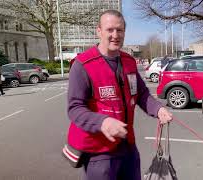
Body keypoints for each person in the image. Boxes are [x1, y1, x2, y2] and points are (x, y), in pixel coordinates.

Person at [66, 10, 173, 180]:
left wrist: (158, 109)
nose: (115, 35)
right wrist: (102, 122)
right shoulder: (83, 65)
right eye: (110, 30)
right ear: (99, 31)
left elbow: (141, 94)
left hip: (128, 147)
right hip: (99, 153)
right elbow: (74, 109)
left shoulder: (129, 61)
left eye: (120, 30)